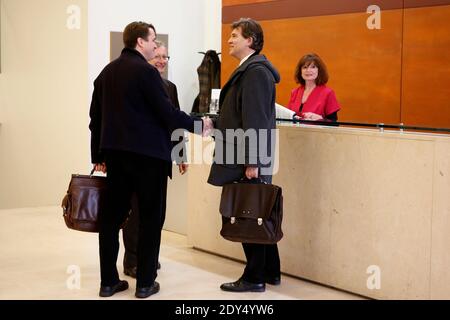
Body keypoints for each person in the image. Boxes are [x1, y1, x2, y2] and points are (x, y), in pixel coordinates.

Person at [89, 21, 209, 298]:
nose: (156, 46)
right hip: (148, 159)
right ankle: (145, 283)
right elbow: (167, 114)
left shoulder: (106, 72)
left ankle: (108, 282)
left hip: (116, 158)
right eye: (153, 40)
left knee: (111, 219)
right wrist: (201, 126)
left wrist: (98, 155)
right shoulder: (146, 72)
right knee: (150, 219)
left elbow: (95, 120)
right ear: (140, 42)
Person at [207, 18, 281, 293]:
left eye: (235, 35)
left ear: (250, 40)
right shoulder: (248, 70)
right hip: (241, 153)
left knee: (250, 215)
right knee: (256, 211)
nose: (229, 40)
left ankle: (254, 278)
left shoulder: (255, 72)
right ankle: (271, 271)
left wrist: (253, 161)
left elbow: (257, 120)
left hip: (246, 158)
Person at [122, 40, 187, 279]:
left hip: (161, 159)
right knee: (136, 213)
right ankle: (132, 261)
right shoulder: (136, 83)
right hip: (139, 159)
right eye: (157, 56)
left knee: (158, 213)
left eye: (165, 57)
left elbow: (176, 123)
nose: (161, 61)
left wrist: (181, 154)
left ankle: (149, 257)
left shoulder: (170, 87)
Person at [287, 53, 340, 121]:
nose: (308, 70)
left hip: (316, 131)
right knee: (273, 131)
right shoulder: (295, 92)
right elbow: (288, 117)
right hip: (295, 131)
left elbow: (334, 123)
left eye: (313, 67)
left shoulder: (328, 93)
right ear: (300, 71)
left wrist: (320, 119)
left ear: (319, 70)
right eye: (305, 67)